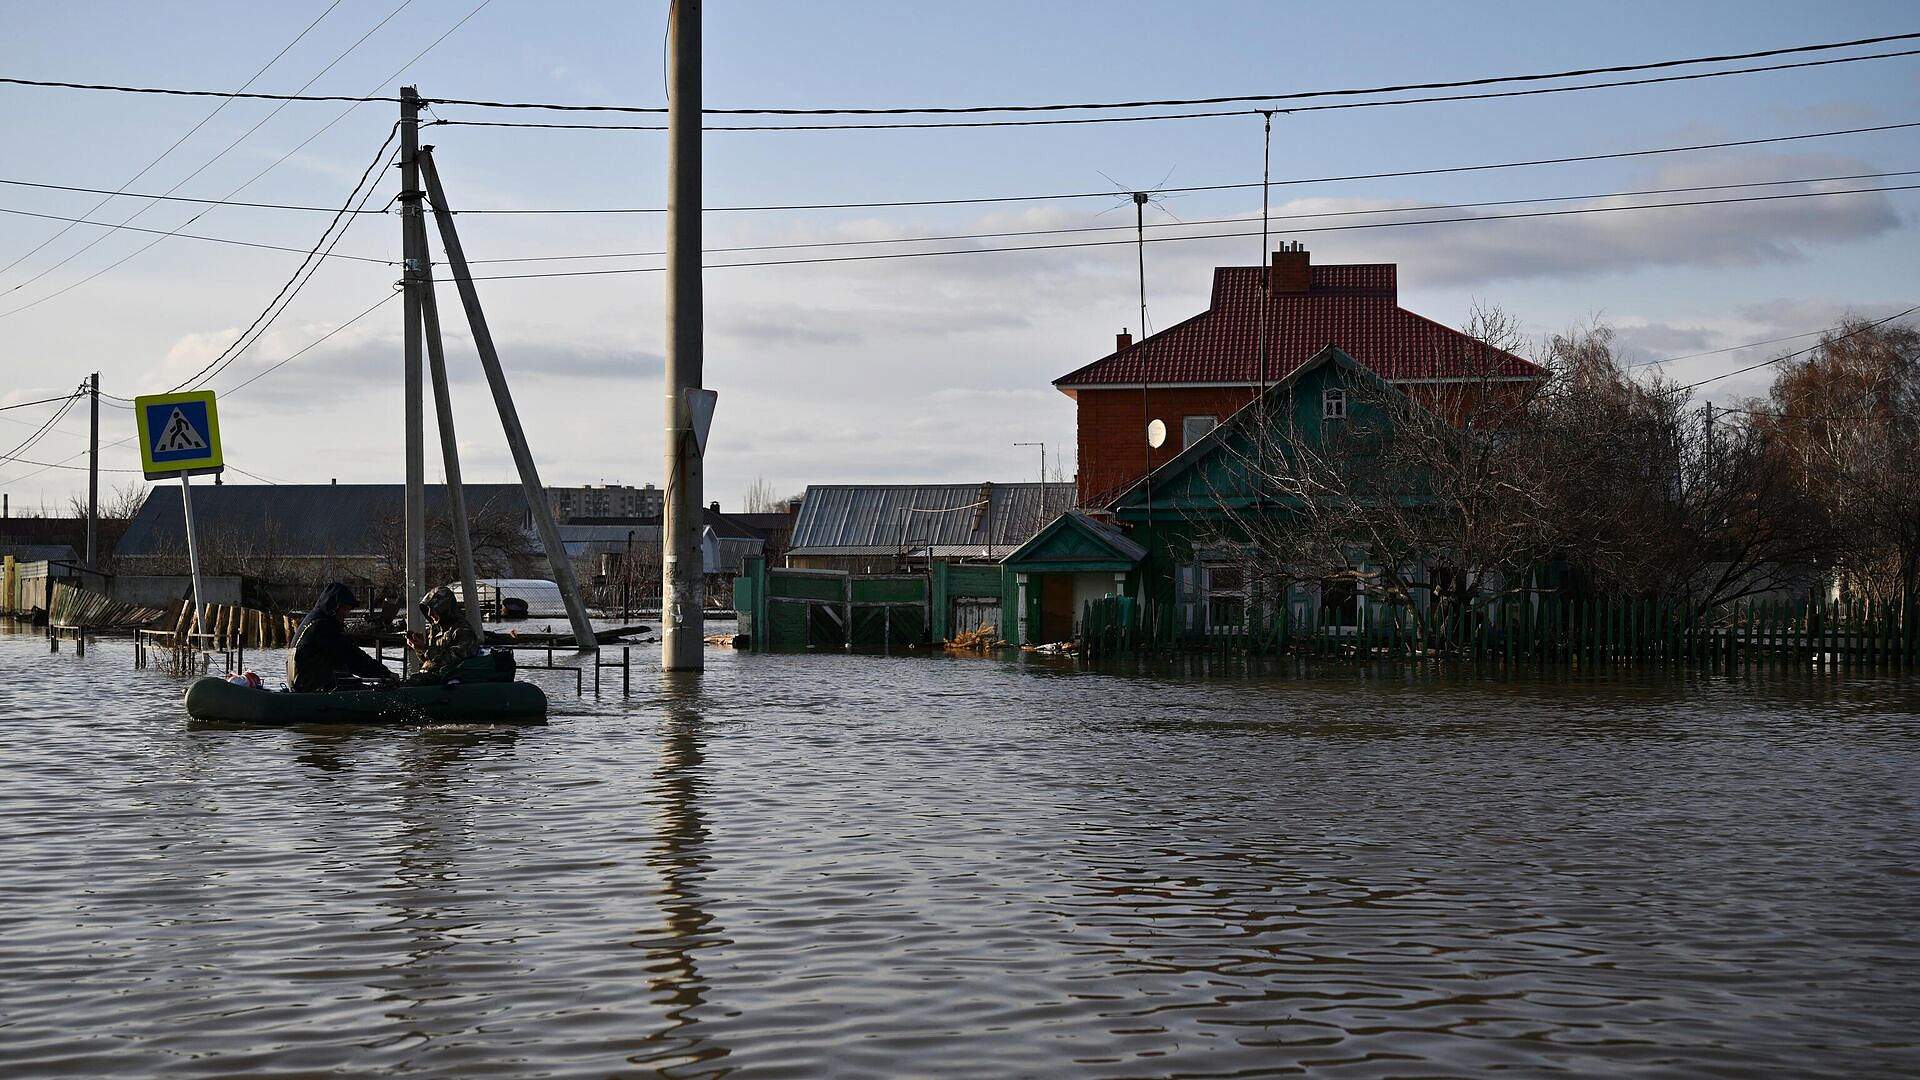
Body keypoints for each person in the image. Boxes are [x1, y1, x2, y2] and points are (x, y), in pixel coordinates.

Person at [288, 582, 396, 693]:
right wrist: (385, 673)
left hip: (304, 683)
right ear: (333, 606)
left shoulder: (315, 619)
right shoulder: (322, 626)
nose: (346, 613)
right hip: (312, 685)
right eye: (344, 609)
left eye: (348, 610)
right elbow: (351, 656)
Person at [404, 585, 481, 684]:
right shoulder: (435, 630)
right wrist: (418, 647)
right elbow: (427, 661)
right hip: (431, 678)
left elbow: (453, 660)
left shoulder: (462, 630)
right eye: (427, 609)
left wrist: (425, 648)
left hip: (451, 681)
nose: (429, 614)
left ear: (444, 609)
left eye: (433, 609)